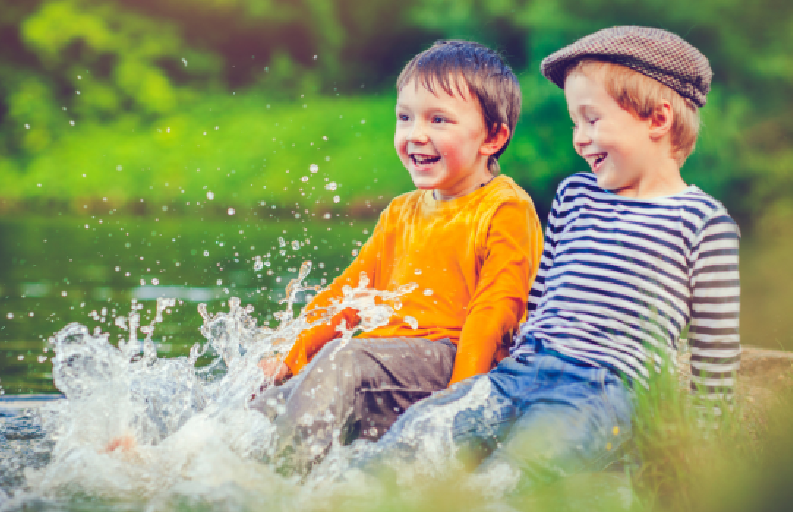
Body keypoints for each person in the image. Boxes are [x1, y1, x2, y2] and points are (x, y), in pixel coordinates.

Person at [360, 26, 741, 491]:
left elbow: (714, 353)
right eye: (575, 123)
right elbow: (539, 297)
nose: (580, 139)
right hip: (520, 371)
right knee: (419, 436)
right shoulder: (575, 195)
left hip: (599, 391)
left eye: (592, 120)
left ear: (657, 120)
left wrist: (699, 444)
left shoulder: (703, 221)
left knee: (518, 475)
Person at [252, 40, 544, 472]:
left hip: (455, 364)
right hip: (385, 367)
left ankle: (274, 487)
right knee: (273, 399)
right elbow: (350, 293)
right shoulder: (401, 211)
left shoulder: (505, 208)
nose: (415, 134)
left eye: (438, 119)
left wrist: (458, 406)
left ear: (493, 137)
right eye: (405, 117)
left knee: (342, 362)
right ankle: (196, 464)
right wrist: (290, 355)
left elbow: (495, 311)